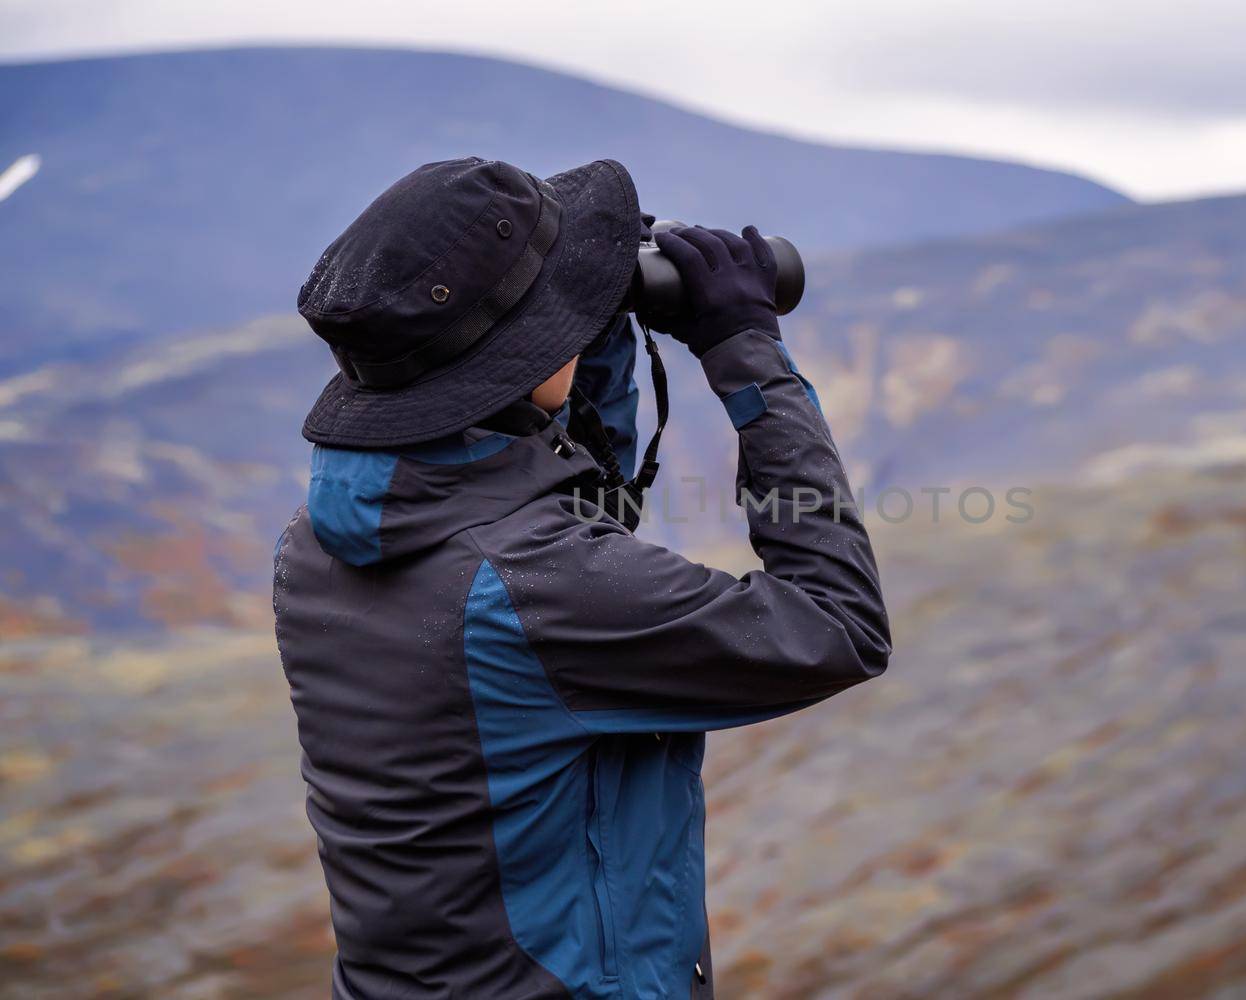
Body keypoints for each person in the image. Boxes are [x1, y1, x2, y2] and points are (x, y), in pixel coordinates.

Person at [272, 156, 891, 1000]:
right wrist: (748, 353)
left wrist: (587, 329)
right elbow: (837, 626)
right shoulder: (533, 585)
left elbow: (572, 523)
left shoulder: (319, 543)